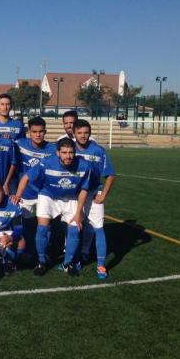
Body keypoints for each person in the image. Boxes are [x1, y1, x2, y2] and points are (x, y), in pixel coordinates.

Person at [22, 138, 92, 276]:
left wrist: (78, 213)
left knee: (74, 230)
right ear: (57, 153)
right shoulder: (47, 162)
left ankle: (67, 263)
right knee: (42, 228)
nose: (68, 156)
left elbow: (84, 190)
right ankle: (41, 262)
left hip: (71, 198)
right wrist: (18, 194)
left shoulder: (85, 165)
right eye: (64, 152)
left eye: (71, 152)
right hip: (48, 196)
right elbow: (26, 177)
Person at [73, 119, 116, 280]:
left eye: (86, 133)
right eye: (79, 133)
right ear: (74, 134)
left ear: (90, 133)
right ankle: (76, 259)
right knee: (74, 228)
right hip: (74, 195)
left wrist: (103, 194)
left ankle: (101, 264)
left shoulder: (98, 150)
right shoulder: (69, 149)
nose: (83, 136)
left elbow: (110, 174)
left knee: (98, 228)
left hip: (92, 194)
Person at [12, 117, 57, 223]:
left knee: (46, 225)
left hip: (45, 193)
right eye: (34, 132)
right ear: (29, 132)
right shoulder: (19, 144)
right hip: (25, 193)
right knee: (27, 225)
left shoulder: (53, 149)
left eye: (41, 131)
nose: (38, 135)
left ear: (45, 132)